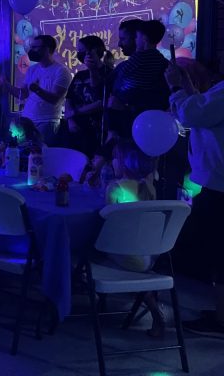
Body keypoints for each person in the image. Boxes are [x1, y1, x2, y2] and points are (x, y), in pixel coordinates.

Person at [165, 62, 224, 337]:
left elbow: (192, 113)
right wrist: (188, 88)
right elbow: (200, 105)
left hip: (219, 187)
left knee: (218, 251)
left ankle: (221, 321)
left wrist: (177, 87)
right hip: (216, 184)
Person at [102, 139, 164, 337]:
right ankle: (155, 311)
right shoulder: (149, 188)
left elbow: (107, 224)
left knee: (86, 247)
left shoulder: (115, 188)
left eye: (115, 159)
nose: (113, 162)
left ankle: (86, 292)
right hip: (150, 255)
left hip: (128, 257)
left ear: (122, 163)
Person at [0, 35, 72, 145]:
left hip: (47, 121)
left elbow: (55, 100)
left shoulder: (61, 71)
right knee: (25, 155)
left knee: (41, 155)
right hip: (27, 121)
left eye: (35, 47)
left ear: (47, 49)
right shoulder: (33, 69)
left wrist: (38, 90)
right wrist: (4, 84)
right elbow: (23, 94)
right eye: (31, 47)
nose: (31, 50)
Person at [107, 19, 169, 140]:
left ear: (140, 37)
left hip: (141, 134)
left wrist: (127, 108)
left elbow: (161, 103)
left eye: (123, 39)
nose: (119, 44)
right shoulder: (162, 63)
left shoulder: (159, 67)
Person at [65, 35, 110, 158]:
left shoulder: (109, 73)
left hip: (97, 130)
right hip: (76, 129)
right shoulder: (80, 75)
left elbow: (103, 101)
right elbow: (69, 98)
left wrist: (76, 112)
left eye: (82, 51)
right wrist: (71, 120)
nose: (80, 54)